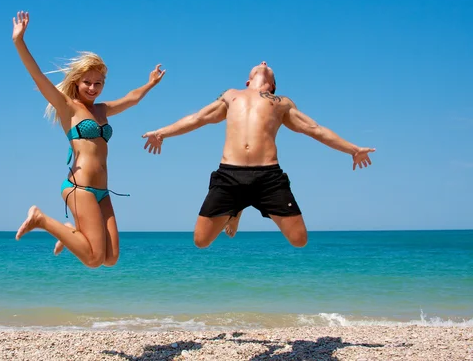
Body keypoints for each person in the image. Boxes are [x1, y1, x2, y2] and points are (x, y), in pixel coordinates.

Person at [142, 61, 374, 248]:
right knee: (201, 241)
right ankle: (237, 208)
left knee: (299, 240)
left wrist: (353, 149)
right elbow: (197, 118)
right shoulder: (231, 95)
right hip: (229, 176)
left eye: (268, 67)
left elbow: (316, 129)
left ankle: (241, 205)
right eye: (260, 65)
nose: (264, 62)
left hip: (268, 178)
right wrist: (161, 133)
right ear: (247, 80)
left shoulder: (281, 103)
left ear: (273, 85)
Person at [11, 11, 166, 267]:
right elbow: (38, 75)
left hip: (102, 190)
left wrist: (150, 84)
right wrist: (19, 42)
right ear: (77, 81)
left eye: (98, 83)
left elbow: (131, 98)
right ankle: (40, 219)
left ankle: (71, 232)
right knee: (94, 259)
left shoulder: (102, 110)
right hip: (78, 188)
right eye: (87, 82)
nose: (93, 88)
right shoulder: (67, 107)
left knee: (111, 258)